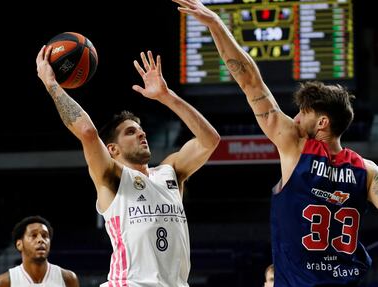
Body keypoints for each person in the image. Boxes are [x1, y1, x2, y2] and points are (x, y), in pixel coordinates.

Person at [172, 0, 378, 286]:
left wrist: (216, 26)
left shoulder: (295, 145)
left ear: (322, 123)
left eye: (303, 112)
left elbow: (250, 82)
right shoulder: (368, 171)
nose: (294, 117)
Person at [36, 46, 220, 287]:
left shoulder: (170, 171)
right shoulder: (112, 178)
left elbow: (210, 140)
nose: (142, 134)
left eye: (141, 130)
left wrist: (167, 97)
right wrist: (51, 84)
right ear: (112, 149)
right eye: (131, 132)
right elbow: (88, 133)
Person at [0, 215, 79, 287]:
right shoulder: (1, 283)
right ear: (19, 244)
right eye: (33, 235)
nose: (41, 240)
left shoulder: (68, 279)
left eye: (45, 236)